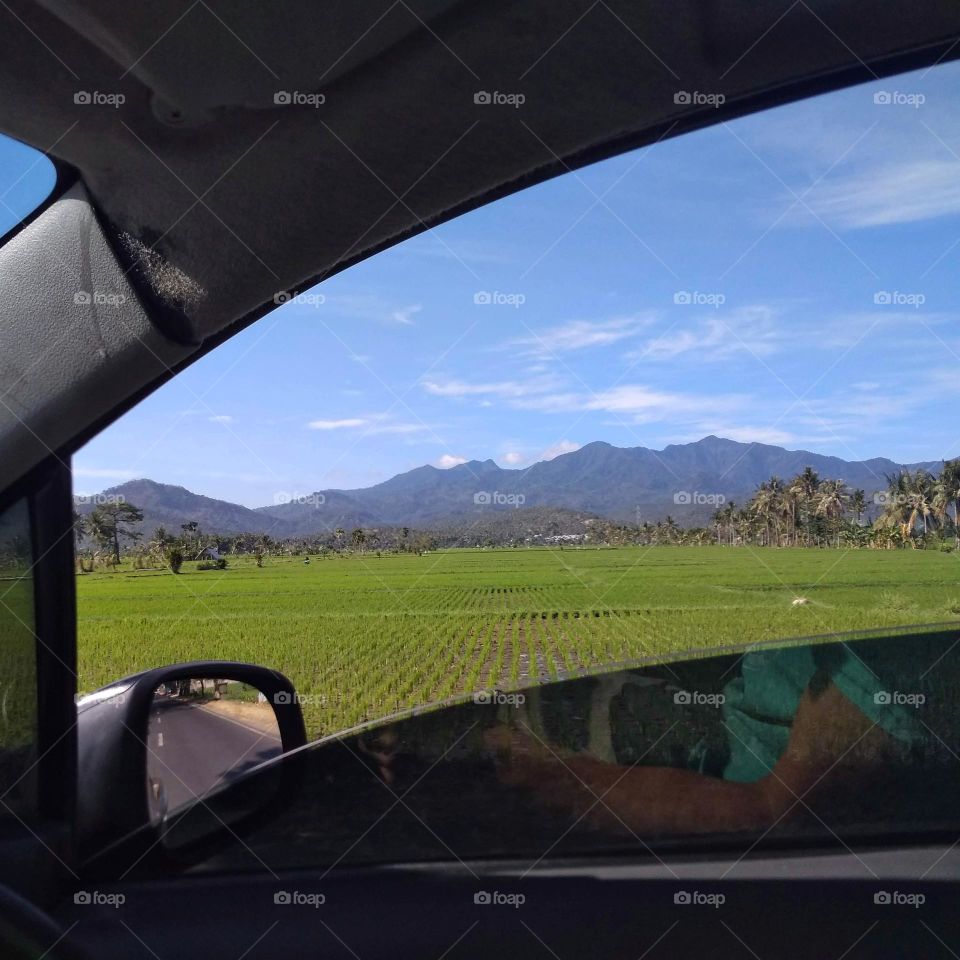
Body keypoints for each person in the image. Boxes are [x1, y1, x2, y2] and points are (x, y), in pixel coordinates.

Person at [487, 637, 934, 836]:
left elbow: (777, 812)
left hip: (713, 787)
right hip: (702, 730)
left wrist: (576, 783)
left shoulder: (898, 651)